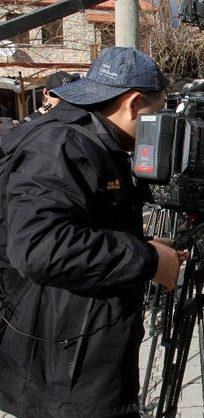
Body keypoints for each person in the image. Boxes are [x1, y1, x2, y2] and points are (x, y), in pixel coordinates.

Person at [0, 47, 187, 417]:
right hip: (63, 362)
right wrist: (147, 260)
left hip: (79, 343)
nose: (159, 123)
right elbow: (41, 248)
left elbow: (83, 225)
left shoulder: (95, 138)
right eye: (158, 111)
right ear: (134, 104)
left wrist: (142, 245)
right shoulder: (60, 144)